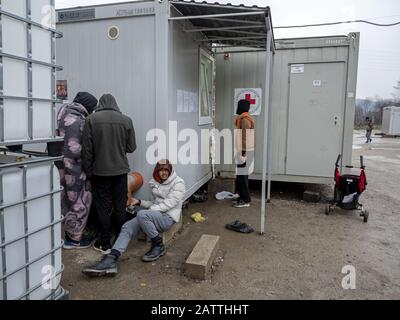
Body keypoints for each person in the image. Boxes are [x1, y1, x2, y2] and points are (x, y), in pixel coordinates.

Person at [82, 160, 186, 276]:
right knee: (127, 226)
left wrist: (147, 212)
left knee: (142, 215)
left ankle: (158, 245)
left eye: (166, 170)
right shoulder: (157, 183)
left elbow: (168, 204)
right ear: (157, 171)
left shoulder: (178, 183)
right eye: (161, 170)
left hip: (167, 218)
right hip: (155, 215)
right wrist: (139, 202)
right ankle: (111, 259)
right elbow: (155, 203)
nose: (163, 173)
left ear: (170, 171)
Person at [82, 94, 137, 254]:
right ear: (115, 104)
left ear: (100, 104)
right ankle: (120, 239)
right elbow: (131, 147)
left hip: (99, 172)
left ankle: (104, 242)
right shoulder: (126, 120)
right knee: (120, 205)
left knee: (102, 207)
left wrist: (88, 170)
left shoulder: (90, 120)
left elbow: (87, 150)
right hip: (120, 172)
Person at [57, 92, 98, 249]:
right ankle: (74, 239)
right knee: (80, 200)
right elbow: (81, 149)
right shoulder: (80, 121)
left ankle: (68, 234)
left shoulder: (61, 115)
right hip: (75, 167)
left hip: (60, 166)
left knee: (65, 199)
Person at [232, 99, 255, 208]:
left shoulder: (244, 120)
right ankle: (241, 196)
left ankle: (246, 200)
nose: (237, 107)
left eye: (239, 106)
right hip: (243, 150)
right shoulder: (243, 118)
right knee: (240, 175)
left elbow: (245, 138)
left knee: (243, 176)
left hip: (244, 151)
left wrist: (243, 153)